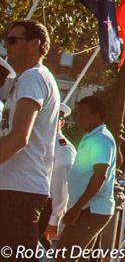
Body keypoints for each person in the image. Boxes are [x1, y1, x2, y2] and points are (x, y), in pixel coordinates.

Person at [0, 20, 61, 258]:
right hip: (16, 188)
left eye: (13, 40)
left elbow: (18, 138)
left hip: (19, 191)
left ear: (34, 44)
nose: (7, 45)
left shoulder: (33, 77)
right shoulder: (28, 79)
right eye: (7, 40)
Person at [56, 95, 118, 260]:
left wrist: (77, 208)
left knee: (64, 256)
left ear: (96, 115)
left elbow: (100, 176)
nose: (78, 119)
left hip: (90, 210)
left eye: (82, 114)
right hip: (86, 210)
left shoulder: (101, 139)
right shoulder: (92, 136)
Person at [40, 104, 77, 245]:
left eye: (55, 119)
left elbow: (61, 187)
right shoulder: (39, 140)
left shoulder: (63, 148)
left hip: (46, 207)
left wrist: (53, 220)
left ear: (61, 122)